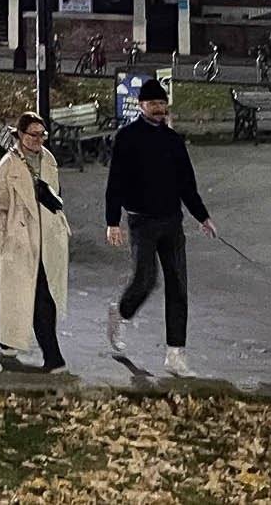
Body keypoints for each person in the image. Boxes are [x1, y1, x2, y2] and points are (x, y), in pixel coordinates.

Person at [105, 77, 216, 376]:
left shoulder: (173, 141)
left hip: (171, 221)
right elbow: (115, 183)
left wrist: (202, 217)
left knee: (178, 284)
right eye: (152, 103)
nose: (158, 108)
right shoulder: (127, 138)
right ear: (141, 105)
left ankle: (175, 354)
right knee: (146, 279)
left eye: (161, 104)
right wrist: (112, 222)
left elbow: (186, 184)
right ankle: (122, 312)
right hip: (141, 221)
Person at [0, 111, 70, 374]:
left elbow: (56, 194)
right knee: (37, 296)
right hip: (20, 240)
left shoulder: (49, 159)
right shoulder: (8, 165)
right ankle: (53, 357)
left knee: (37, 294)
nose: (37, 139)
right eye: (32, 134)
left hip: (47, 239)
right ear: (20, 135)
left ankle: (4, 332)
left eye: (41, 135)